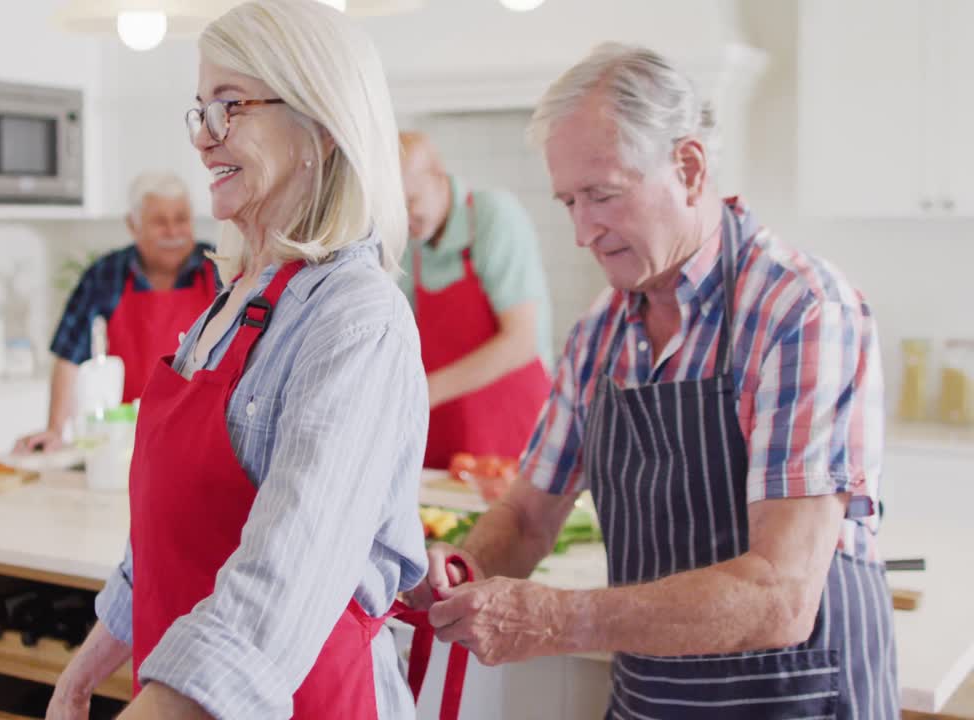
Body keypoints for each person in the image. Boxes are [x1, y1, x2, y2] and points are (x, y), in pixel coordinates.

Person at [412, 43, 897, 718]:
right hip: (654, 701)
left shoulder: (801, 311)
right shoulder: (598, 336)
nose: (582, 230)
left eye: (602, 195)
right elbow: (525, 517)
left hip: (799, 700)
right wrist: (460, 571)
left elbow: (780, 596)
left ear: (689, 168)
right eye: (569, 201)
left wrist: (558, 618)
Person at [46, 1, 437, 718]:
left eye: (231, 106)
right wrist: (94, 657)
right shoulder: (230, 303)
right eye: (200, 110)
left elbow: (284, 576)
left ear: (321, 125)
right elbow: (168, 533)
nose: (204, 138)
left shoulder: (358, 317)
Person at [13, 172, 218, 453]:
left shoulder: (219, 269)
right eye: (160, 222)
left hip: (204, 434)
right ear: (132, 226)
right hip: (130, 438)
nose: (173, 232)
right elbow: (69, 355)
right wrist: (55, 430)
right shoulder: (106, 274)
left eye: (181, 220)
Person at [398, 131, 554, 468]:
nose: (404, 216)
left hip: (513, 430)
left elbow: (522, 339)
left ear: (438, 175)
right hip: (446, 436)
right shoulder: (410, 245)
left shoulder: (493, 215)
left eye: (411, 201)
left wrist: (426, 392)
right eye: (395, 206)